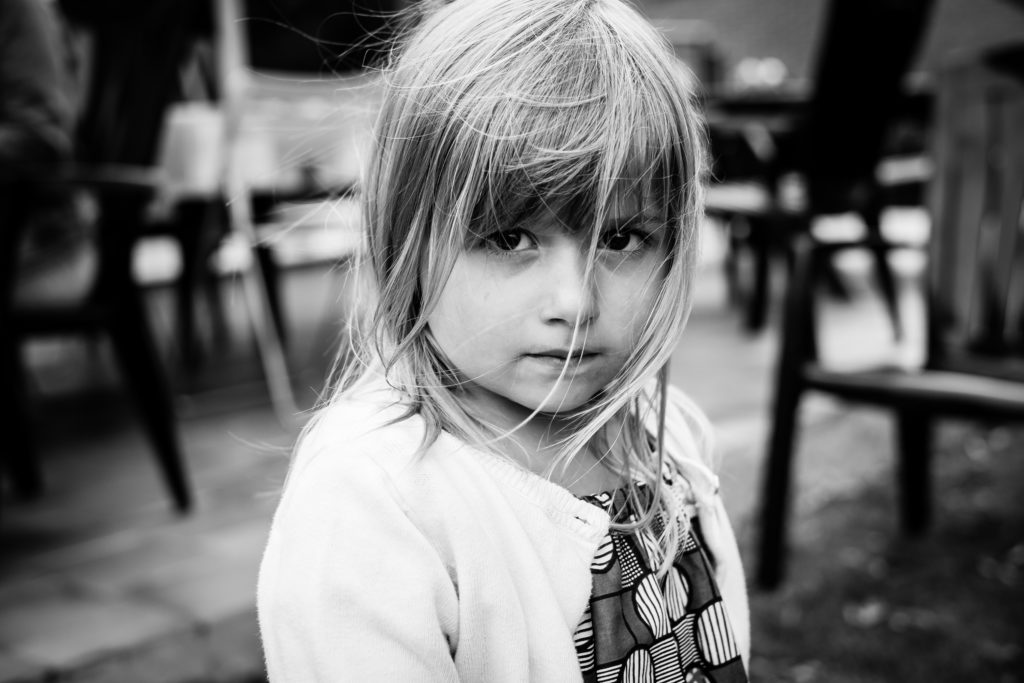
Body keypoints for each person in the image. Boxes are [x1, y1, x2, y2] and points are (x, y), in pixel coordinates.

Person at [257, 0, 750, 680]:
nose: (575, 303)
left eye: (620, 238)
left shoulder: (666, 435)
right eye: (509, 237)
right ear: (407, 236)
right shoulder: (373, 501)